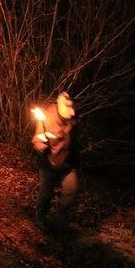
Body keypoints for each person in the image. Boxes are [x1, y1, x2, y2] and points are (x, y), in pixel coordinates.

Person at [31, 92, 80, 229]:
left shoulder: (73, 119)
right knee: (46, 193)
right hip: (48, 162)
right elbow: (37, 139)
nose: (71, 111)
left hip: (67, 163)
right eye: (68, 107)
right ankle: (40, 219)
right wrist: (41, 144)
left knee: (71, 190)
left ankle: (59, 220)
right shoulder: (47, 116)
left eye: (72, 107)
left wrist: (75, 160)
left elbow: (75, 142)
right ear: (60, 106)